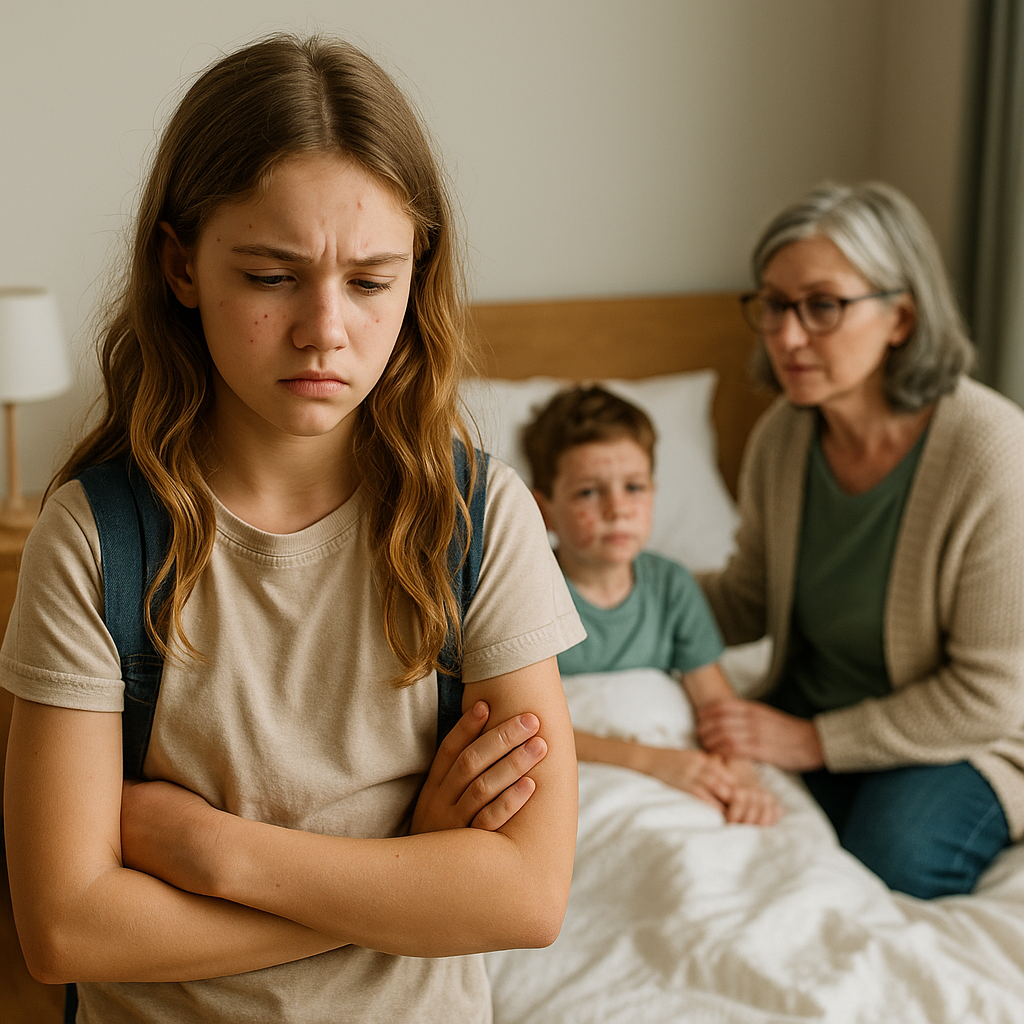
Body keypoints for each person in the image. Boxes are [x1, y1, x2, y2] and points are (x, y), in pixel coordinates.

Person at [0, 35, 585, 1023]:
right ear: (181, 266)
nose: (325, 327)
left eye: (369, 281)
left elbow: (526, 898)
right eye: (271, 276)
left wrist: (217, 854)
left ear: (418, 274)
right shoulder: (92, 538)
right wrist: (405, 881)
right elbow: (65, 930)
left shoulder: (483, 519)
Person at [696, 180, 1024, 899]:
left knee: (892, 854)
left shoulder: (991, 450)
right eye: (775, 304)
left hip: (959, 739)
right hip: (810, 704)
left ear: (901, 317)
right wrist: (618, 587)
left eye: (823, 306)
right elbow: (749, 601)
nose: (786, 335)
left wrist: (811, 744)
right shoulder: (784, 434)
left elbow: (993, 695)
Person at [521, 385, 779, 825]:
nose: (618, 509)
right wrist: (651, 762)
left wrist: (743, 777)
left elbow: (715, 703)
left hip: (678, 761)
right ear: (543, 508)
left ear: (654, 493)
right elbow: (531, 726)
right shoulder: (525, 592)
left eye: (634, 487)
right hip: (594, 774)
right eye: (587, 493)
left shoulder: (672, 586)